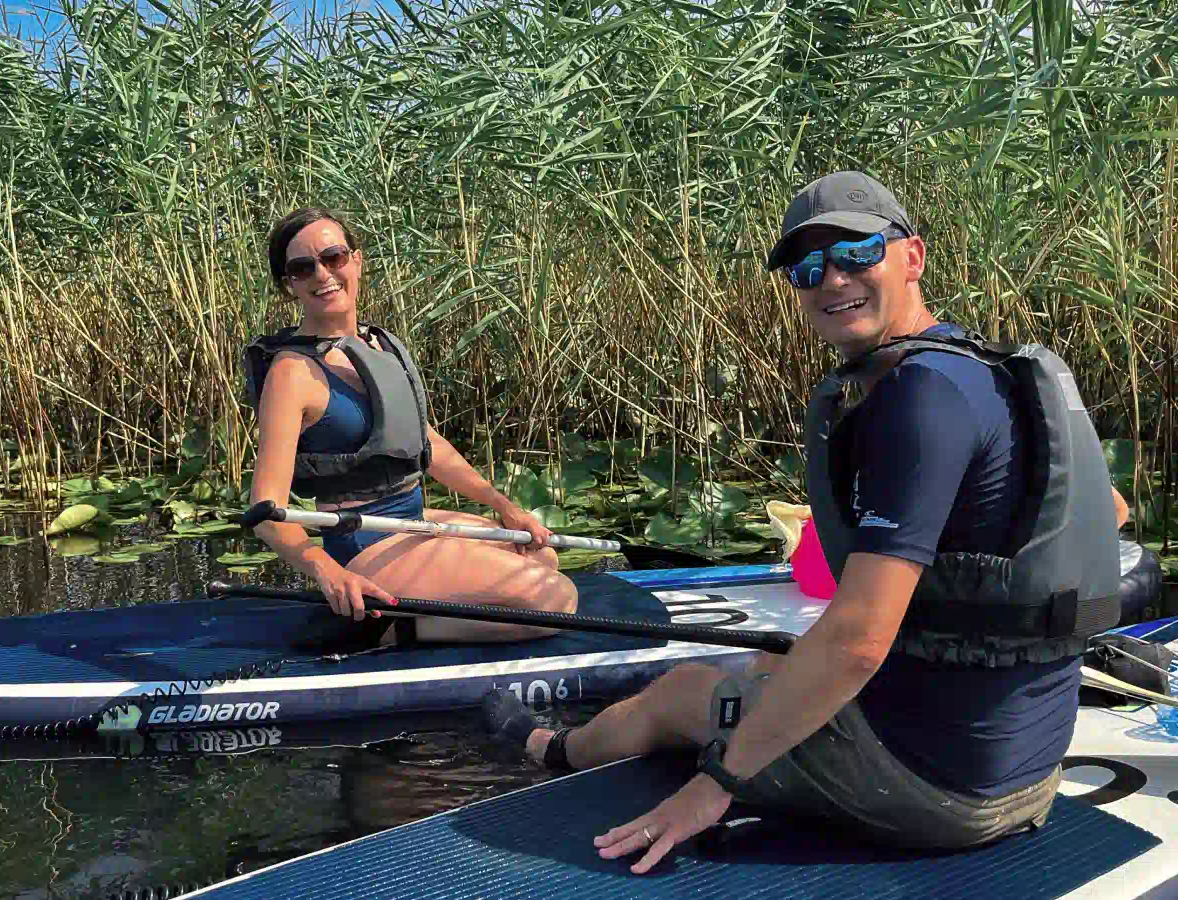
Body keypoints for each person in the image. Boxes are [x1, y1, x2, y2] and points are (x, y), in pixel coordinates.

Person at [484, 170, 1129, 872]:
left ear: (912, 257)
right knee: (771, 661)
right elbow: (1108, 513)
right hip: (1031, 771)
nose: (830, 280)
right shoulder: (988, 372)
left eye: (856, 253)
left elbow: (855, 645)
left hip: (934, 788)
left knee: (683, 693)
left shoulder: (920, 397)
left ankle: (552, 750)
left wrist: (716, 786)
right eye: (808, 268)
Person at [245, 207, 578, 646]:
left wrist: (502, 504)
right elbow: (264, 512)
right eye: (303, 267)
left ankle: (419, 609)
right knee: (554, 598)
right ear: (290, 284)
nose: (322, 274)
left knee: (543, 558)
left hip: (410, 520)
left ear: (356, 260)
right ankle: (389, 629)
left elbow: (425, 443)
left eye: (333, 257)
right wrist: (328, 573)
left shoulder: (377, 345)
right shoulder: (292, 373)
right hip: (362, 542)